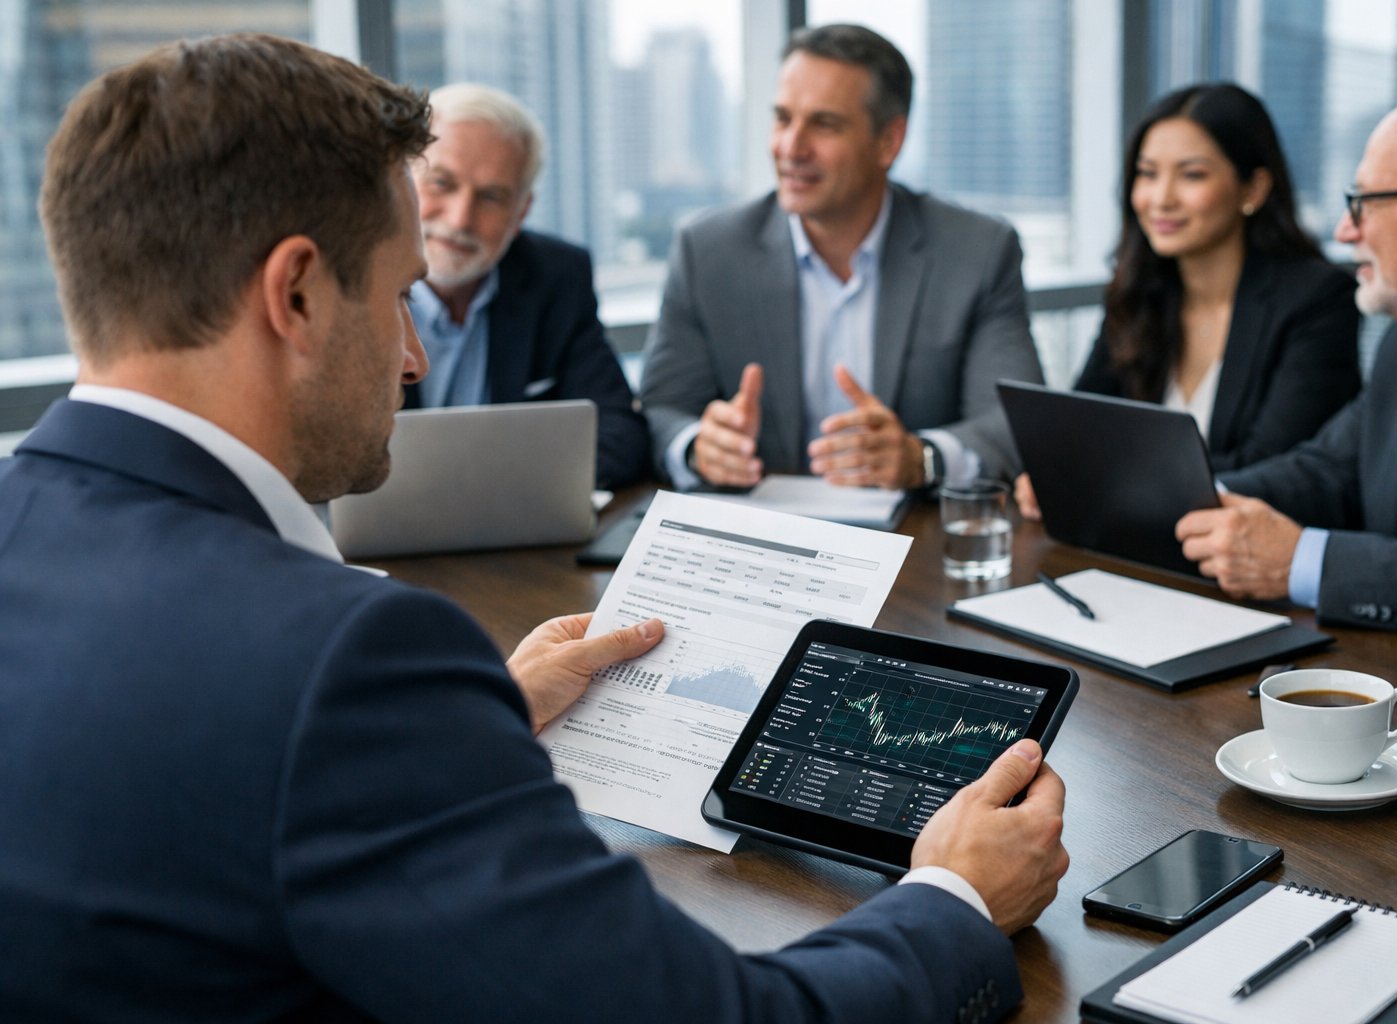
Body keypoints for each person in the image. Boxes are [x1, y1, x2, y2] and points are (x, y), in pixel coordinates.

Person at [0, 34, 1069, 1021]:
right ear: (299, 294)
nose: (414, 357)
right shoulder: (349, 661)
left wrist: (475, 727)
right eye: (402, 294)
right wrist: (956, 897)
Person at [1176, 85, 1397, 641]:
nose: (1346, 231)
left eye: (1364, 203)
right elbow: (1327, 472)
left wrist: (1303, 562)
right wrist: (1182, 499)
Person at [640, 23, 1042, 492]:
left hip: (912, 529)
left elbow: (1012, 422)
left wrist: (922, 458)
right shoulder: (707, 251)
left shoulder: (977, 251)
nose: (791, 148)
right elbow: (661, 409)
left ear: (889, 141)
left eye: (824, 124)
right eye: (783, 118)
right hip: (756, 524)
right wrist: (698, 446)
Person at [1014, 82, 1360, 517]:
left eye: (1192, 175)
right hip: (1135, 537)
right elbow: (1080, 427)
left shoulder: (1317, 300)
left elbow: (1271, 466)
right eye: (1147, 173)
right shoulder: (1140, 291)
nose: (1161, 199)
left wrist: (1103, 480)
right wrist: (1055, 473)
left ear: (1253, 189)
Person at [406, 82, 650, 488]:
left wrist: (498, 491)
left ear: (520, 213)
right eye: (442, 183)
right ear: (401, 182)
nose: (460, 219)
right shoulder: (347, 284)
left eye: (491, 197)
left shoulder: (556, 276)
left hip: (515, 518)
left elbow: (620, 433)